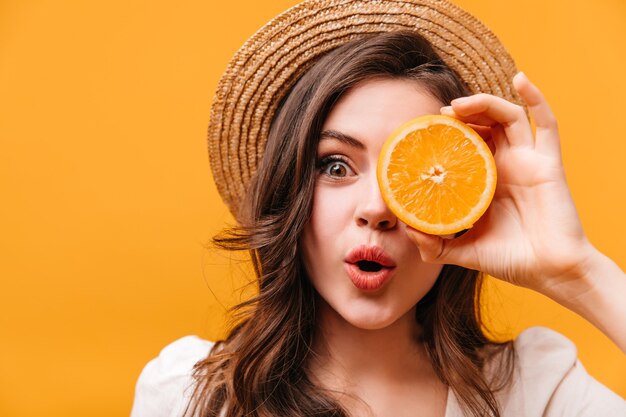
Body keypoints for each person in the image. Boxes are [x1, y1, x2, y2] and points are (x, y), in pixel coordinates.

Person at [131, 1, 626, 416]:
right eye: (336, 166)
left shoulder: (536, 393)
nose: (376, 209)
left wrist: (577, 272)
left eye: (412, 174)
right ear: (290, 187)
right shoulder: (188, 393)